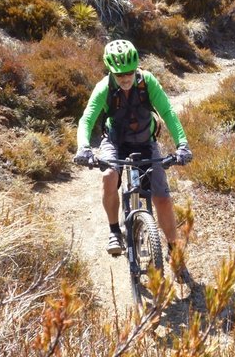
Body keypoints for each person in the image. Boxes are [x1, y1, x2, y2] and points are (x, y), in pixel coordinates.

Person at [74, 39, 193, 280]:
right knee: (109, 176)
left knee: (162, 197)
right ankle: (114, 231)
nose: (125, 78)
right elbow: (87, 119)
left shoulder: (147, 83)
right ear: (111, 71)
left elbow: (168, 113)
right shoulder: (104, 88)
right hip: (115, 141)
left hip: (145, 141)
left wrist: (182, 144)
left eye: (129, 72)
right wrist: (84, 147)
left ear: (136, 67)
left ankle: (173, 252)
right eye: (119, 74)